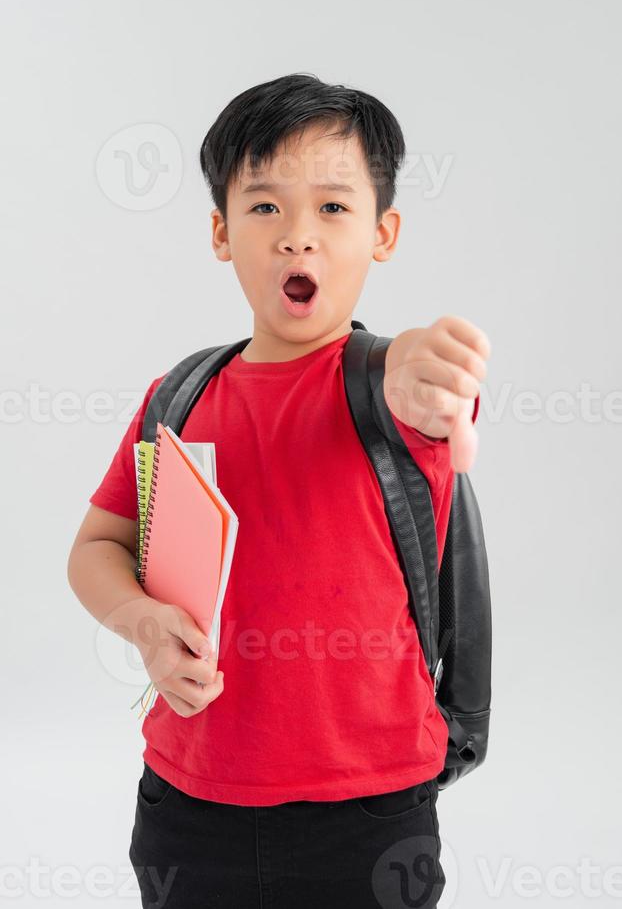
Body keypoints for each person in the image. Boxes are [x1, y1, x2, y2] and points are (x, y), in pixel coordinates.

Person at [67, 72, 490, 908]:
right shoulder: (176, 397)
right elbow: (96, 548)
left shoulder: (389, 390)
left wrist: (424, 371)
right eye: (265, 208)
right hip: (186, 806)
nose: (299, 236)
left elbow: (418, 376)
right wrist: (143, 621)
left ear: (383, 232)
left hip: (371, 817)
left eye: (334, 208)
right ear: (222, 232)